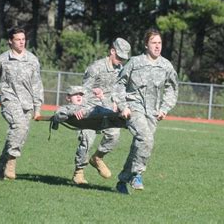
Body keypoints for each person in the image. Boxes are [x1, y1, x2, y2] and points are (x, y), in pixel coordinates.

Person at [113, 29, 178, 194]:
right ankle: (137, 174)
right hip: (134, 108)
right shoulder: (135, 62)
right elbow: (119, 84)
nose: (157, 46)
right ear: (146, 45)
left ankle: (122, 180)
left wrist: (164, 109)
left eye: (160, 43)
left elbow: (172, 89)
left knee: (139, 146)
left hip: (152, 113)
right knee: (146, 139)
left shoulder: (166, 66)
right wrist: (123, 106)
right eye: (154, 43)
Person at [0, 27, 44, 180]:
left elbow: (37, 85)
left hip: (27, 104)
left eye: (23, 39)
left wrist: (37, 108)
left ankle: (0, 168)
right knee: (19, 126)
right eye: (18, 39)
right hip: (9, 99)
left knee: (19, 135)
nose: (22, 42)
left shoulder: (33, 60)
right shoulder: (2, 60)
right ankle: (11, 162)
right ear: (10, 41)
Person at [71, 37, 131, 185]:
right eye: (118, 57)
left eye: (123, 58)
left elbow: (119, 91)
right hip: (90, 109)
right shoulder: (96, 67)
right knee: (87, 139)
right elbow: (83, 90)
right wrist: (80, 109)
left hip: (107, 109)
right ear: (112, 51)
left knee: (114, 135)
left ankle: (97, 158)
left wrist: (120, 105)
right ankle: (79, 172)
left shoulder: (120, 70)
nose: (120, 60)